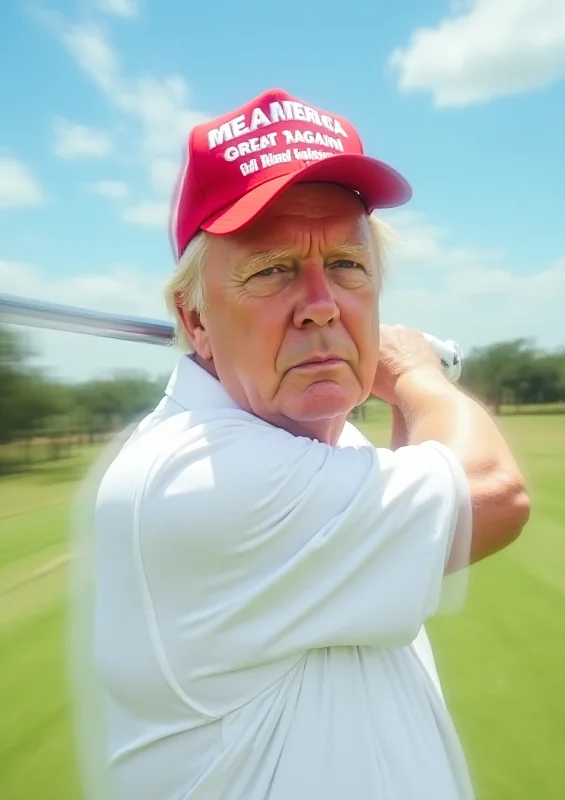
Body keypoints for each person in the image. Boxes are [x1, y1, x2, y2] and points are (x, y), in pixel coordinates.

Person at [87, 88, 530, 799]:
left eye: (349, 267)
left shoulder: (322, 452)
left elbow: (414, 510)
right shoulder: (193, 478)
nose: (321, 303)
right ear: (194, 318)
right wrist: (415, 376)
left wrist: (382, 393)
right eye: (271, 269)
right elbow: (493, 494)